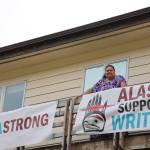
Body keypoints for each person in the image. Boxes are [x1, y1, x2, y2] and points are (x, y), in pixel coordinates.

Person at [77, 64, 127, 149]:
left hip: (113, 106)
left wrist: (124, 90)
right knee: (99, 123)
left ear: (114, 71)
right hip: (101, 108)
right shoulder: (101, 82)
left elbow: (124, 86)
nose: (109, 72)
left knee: (112, 123)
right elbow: (92, 89)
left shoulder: (119, 78)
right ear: (105, 72)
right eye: (107, 70)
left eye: (111, 70)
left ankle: (115, 136)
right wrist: (82, 95)